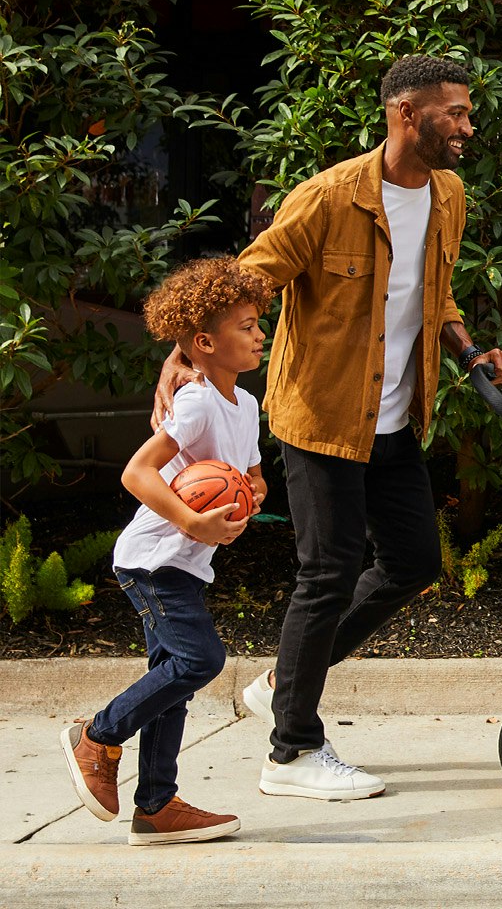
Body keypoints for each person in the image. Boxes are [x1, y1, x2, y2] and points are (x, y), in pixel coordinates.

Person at [153, 55, 502, 800]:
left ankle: (286, 682)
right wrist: (185, 349)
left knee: (413, 562)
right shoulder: (328, 198)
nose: (467, 126)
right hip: (320, 417)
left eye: (467, 111)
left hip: (393, 418)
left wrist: (468, 348)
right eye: (454, 112)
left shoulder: (448, 195)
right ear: (406, 114)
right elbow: (247, 279)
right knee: (326, 575)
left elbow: (432, 295)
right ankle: (291, 752)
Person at [63, 258, 272, 844]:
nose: (260, 334)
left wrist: (251, 490)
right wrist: (191, 521)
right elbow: (137, 472)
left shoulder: (245, 404)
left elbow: (251, 473)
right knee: (199, 661)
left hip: (183, 562)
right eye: (247, 326)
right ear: (204, 342)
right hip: (153, 559)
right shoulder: (198, 401)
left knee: (171, 679)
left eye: (259, 323)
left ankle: (155, 805)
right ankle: (98, 735)